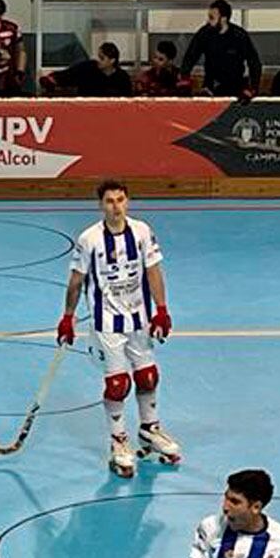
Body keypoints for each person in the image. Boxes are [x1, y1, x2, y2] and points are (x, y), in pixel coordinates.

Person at [56, 179, 178, 478]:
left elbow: (153, 271)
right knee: (118, 384)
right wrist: (68, 317)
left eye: (121, 200)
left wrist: (161, 309)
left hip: (139, 318)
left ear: (128, 201)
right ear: (101, 205)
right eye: (110, 201)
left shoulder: (141, 231)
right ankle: (119, 441)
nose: (116, 206)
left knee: (148, 376)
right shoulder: (89, 239)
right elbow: (76, 281)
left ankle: (150, 429)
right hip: (106, 322)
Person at [181, 0, 261, 97]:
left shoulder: (239, 36)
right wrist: (185, 79)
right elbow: (190, 57)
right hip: (211, 85)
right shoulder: (204, 33)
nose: (208, 21)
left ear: (223, 19)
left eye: (212, 18)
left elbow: (254, 62)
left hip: (236, 86)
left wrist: (253, 88)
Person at [41, 42, 133, 97]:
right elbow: (68, 75)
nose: (98, 60)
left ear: (112, 60)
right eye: (98, 57)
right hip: (85, 110)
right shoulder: (88, 68)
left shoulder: (122, 78)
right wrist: (51, 79)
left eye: (102, 58)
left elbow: (127, 100)